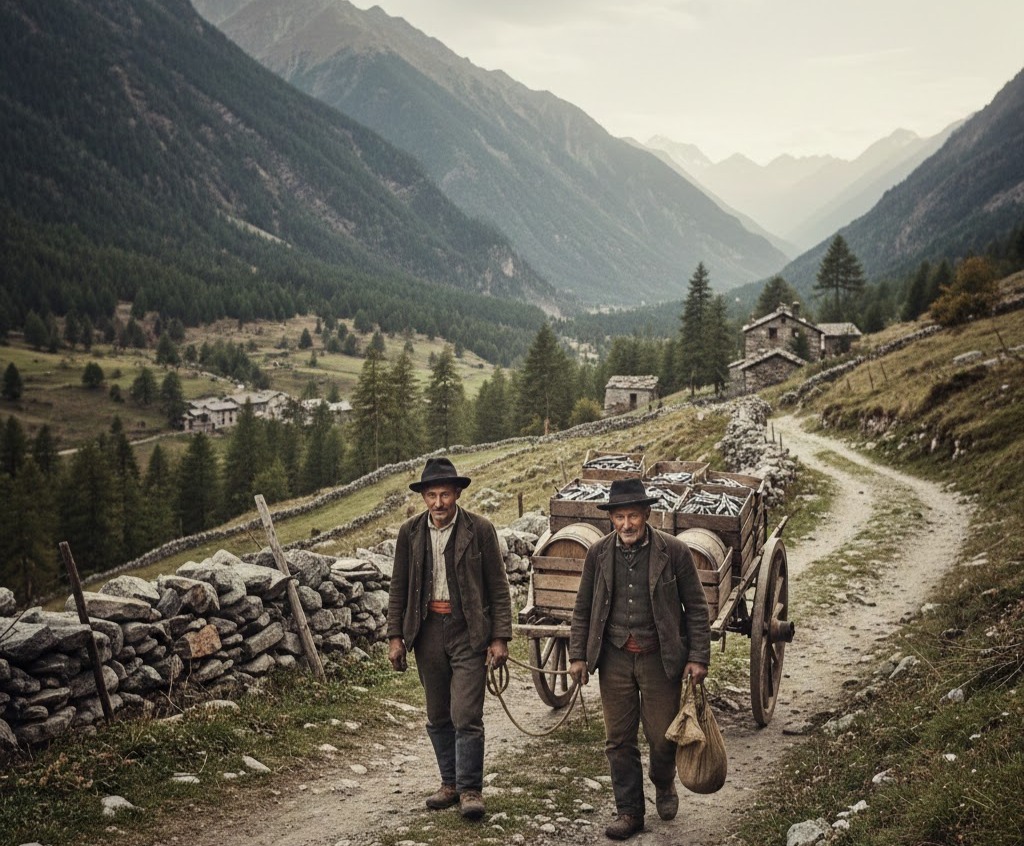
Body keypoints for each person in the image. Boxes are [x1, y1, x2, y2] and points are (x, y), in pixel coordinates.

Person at [569, 477, 711, 841]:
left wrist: (697, 657)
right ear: (611, 519)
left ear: (647, 514)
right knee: (618, 739)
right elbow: (583, 609)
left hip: (660, 658)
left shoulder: (674, 552)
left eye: (633, 516)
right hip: (614, 657)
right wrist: (578, 656)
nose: (626, 524)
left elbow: (695, 608)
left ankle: (663, 783)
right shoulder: (597, 553)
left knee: (663, 738)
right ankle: (629, 811)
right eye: (619, 517)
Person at [387, 457, 513, 820]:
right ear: (423, 497)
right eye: (431, 495)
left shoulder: (480, 529)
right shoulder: (410, 533)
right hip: (427, 632)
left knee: (466, 713)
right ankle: (450, 783)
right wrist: (396, 636)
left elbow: (498, 588)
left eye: (445, 494)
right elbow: (398, 589)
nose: (438, 503)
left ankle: (471, 790)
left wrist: (499, 637)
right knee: (438, 713)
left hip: (468, 632)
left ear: (457, 493)